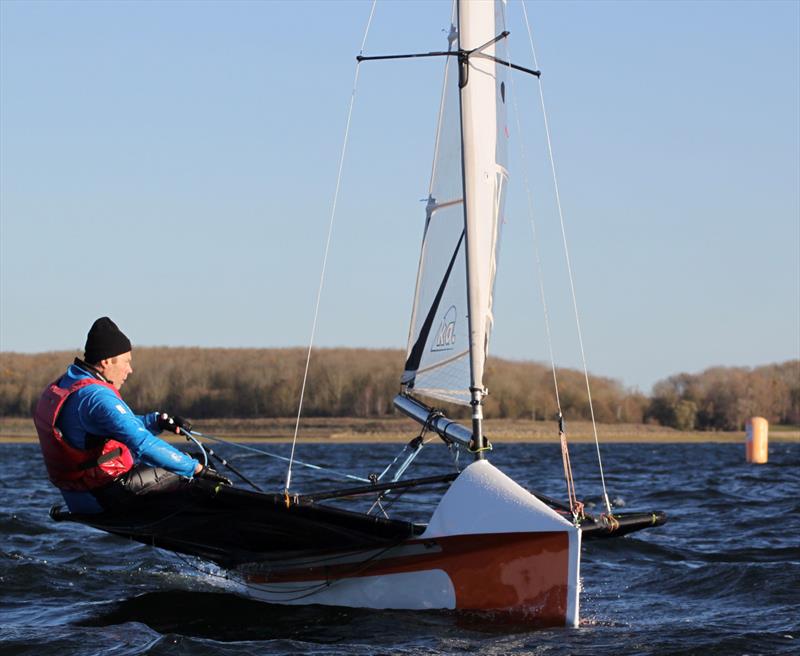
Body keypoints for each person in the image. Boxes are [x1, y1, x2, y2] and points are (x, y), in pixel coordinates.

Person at [33, 317, 229, 514]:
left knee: (183, 469)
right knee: (196, 464)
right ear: (107, 361)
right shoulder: (97, 397)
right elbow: (143, 444)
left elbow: (114, 427)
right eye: (126, 361)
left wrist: (156, 421)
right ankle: (219, 519)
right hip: (108, 496)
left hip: (79, 499)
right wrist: (197, 469)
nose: (130, 370)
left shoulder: (68, 384)